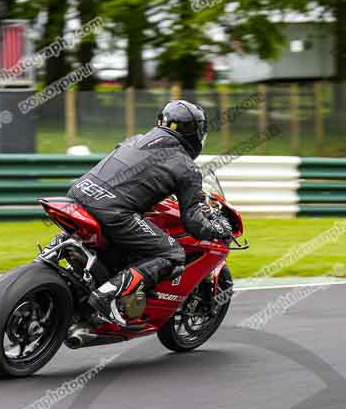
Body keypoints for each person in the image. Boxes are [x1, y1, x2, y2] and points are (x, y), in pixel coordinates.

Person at [68, 100, 234, 326]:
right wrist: (219, 227)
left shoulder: (135, 140)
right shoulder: (186, 167)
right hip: (115, 213)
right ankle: (106, 295)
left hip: (78, 194)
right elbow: (193, 221)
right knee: (172, 254)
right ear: (195, 133)